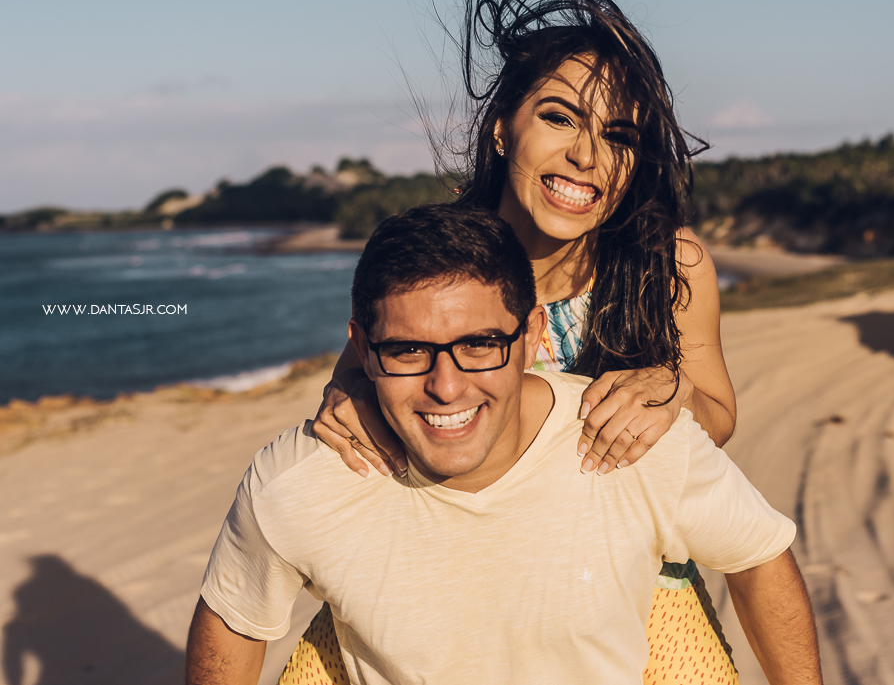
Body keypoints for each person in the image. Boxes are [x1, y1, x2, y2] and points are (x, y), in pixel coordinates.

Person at [298, 0, 745, 681]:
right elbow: (362, 376)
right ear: (505, 124)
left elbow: (718, 415)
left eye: (619, 135)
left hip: (625, 580)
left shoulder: (672, 263)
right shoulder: (442, 256)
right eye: (560, 117)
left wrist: (670, 391)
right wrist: (344, 400)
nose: (587, 156)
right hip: (454, 569)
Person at [186, 205, 822, 685]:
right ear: (361, 347)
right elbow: (232, 621)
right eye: (407, 350)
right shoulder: (302, 480)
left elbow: (760, 556)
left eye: (479, 344)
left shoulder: (630, 439)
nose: (445, 385)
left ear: (532, 335)